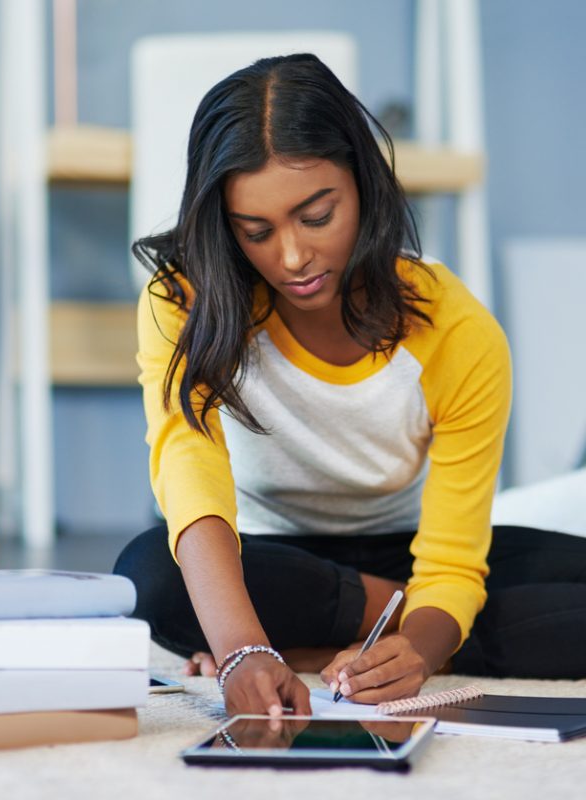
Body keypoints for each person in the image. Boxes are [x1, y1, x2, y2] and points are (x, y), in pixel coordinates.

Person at [114, 53, 586, 718]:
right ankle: (379, 620)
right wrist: (245, 646)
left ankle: (331, 643)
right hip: (266, 555)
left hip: (408, 538)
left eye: (316, 215)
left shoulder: (457, 330)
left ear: (362, 183)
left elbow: (451, 559)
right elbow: (187, 469)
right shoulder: (186, 299)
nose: (292, 257)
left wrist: (422, 647)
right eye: (256, 231)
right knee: (150, 578)